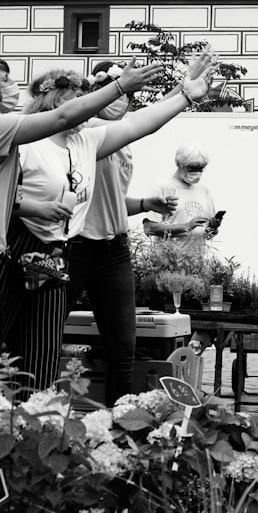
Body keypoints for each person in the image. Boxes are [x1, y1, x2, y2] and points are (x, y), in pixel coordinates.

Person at [0, 51, 160, 394]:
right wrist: (120, 86)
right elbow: (61, 118)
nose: (15, 88)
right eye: (7, 81)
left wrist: (24, 206)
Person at [2, 58, 214, 392]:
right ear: (60, 104)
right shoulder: (26, 140)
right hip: (37, 247)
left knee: (118, 347)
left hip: (88, 248)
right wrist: (36, 208)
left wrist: (186, 95)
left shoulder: (87, 140)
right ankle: (21, 417)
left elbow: (141, 122)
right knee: (30, 343)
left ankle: (119, 425)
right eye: (80, 99)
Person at [65, 59, 195, 405]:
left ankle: (118, 423)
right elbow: (145, 122)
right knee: (47, 338)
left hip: (114, 248)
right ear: (98, 92)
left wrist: (144, 203)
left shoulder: (123, 136)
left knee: (124, 347)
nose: (124, 102)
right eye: (118, 91)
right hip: (75, 247)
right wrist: (183, 92)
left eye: (129, 95)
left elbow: (109, 199)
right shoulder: (85, 129)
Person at [145, 144, 222, 254]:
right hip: (167, 263)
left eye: (200, 169)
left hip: (196, 264)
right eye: (192, 168)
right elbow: (149, 228)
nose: (196, 172)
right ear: (179, 164)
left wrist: (213, 228)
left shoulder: (204, 190)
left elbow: (208, 235)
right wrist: (186, 226)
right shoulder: (162, 187)